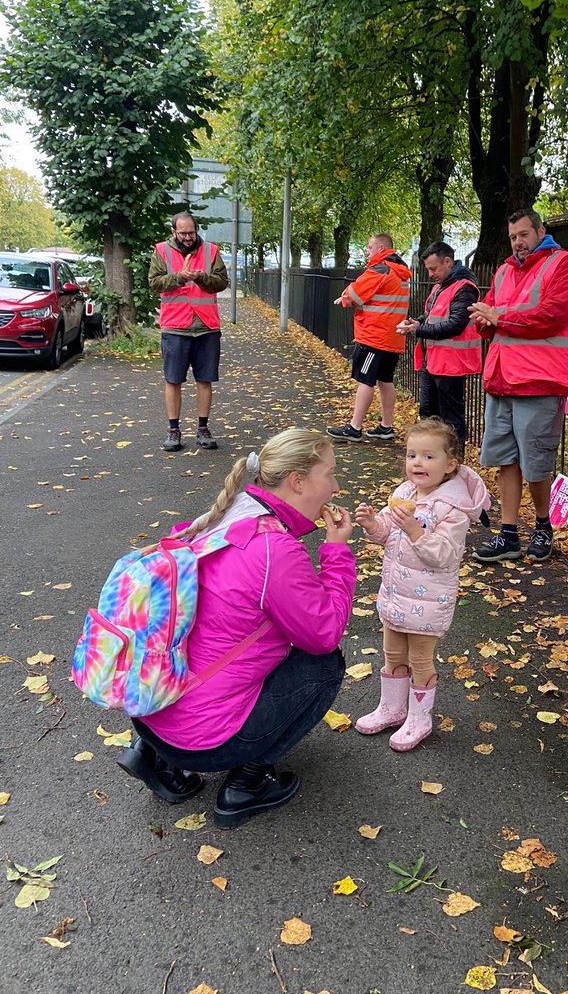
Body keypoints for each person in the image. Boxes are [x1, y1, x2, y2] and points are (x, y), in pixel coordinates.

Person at [116, 428, 356, 829]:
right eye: (330, 475)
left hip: (150, 704)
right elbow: (324, 632)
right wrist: (336, 552)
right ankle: (248, 784)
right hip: (203, 741)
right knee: (324, 664)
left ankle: (153, 754)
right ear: (298, 481)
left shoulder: (231, 513)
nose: (335, 486)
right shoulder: (273, 548)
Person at [353, 418, 489, 751]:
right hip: (396, 593)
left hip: (429, 600)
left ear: (450, 464)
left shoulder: (452, 510)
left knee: (420, 660)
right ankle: (392, 708)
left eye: (429, 457)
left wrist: (415, 530)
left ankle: (419, 718)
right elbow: (387, 532)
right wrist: (374, 523)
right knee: (392, 651)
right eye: (412, 455)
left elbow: (445, 555)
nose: (418, 463)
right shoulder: (403, 493)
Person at [469, 209, 568, 563]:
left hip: (539, 379)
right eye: (513, 237)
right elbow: (491, 315)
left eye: (523, 234)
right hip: (502, 378)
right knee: (506, 458)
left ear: (540, 231)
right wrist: (483, 320)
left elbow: (554, 314)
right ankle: (508, 535)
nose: (518, 243)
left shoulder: (563, 264)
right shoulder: (504, 270)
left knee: (536, 462)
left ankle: (542, 526)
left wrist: (498, 317)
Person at [149, 212, 229, 453]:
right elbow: (154, 283)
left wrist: (202, 277)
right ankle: (173, 431)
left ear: (197, 230)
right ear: (174, 232)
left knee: (205, 379)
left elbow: (222, 282)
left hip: (206, 326)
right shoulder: (161, 251)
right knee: (173, 380)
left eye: (191, 233)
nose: (187, 237)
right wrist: (179, 277)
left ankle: (203, 429)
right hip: (175, 325)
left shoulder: (211, 251)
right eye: (182, 233)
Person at [396, 242, 481, 448]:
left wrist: (418, 329)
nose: (430, 274)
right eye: (428, 269)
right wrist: (415, 321)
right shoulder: (439, 288)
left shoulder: (464, 288)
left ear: (448, 262)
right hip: (433, 360)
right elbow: (430, 315)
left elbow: (455, 325)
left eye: (433, 269)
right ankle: (429, 458)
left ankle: (454, 463)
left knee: (451, 419)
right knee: (428, 413)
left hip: (451, 364)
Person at [327, 233, 411, 442]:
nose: (367, 250)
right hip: (393, 336)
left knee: (366, 380)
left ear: (381, 247)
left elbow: (356, 292)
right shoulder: (400, 272)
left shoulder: (380, 269)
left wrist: (345, 298)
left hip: (375, 336)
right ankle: (386, 426)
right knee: (385, 380)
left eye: (370, 246)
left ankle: (355, 427)